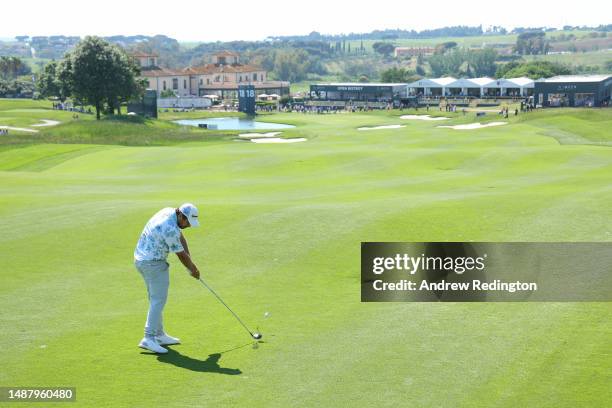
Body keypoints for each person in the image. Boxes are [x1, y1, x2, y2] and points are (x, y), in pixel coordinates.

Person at [133, 203, 201, 354]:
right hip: (152, 263)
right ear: (181, 216)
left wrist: (191, 263)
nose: (189, 226)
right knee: (158, 300)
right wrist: (192, 268)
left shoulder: (169, 212)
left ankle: (159, 334)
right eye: (188, 222)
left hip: (142, 259)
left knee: (155, 299)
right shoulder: (169, 228)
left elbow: (181, 239)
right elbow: (180, 254)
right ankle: (148, 338)